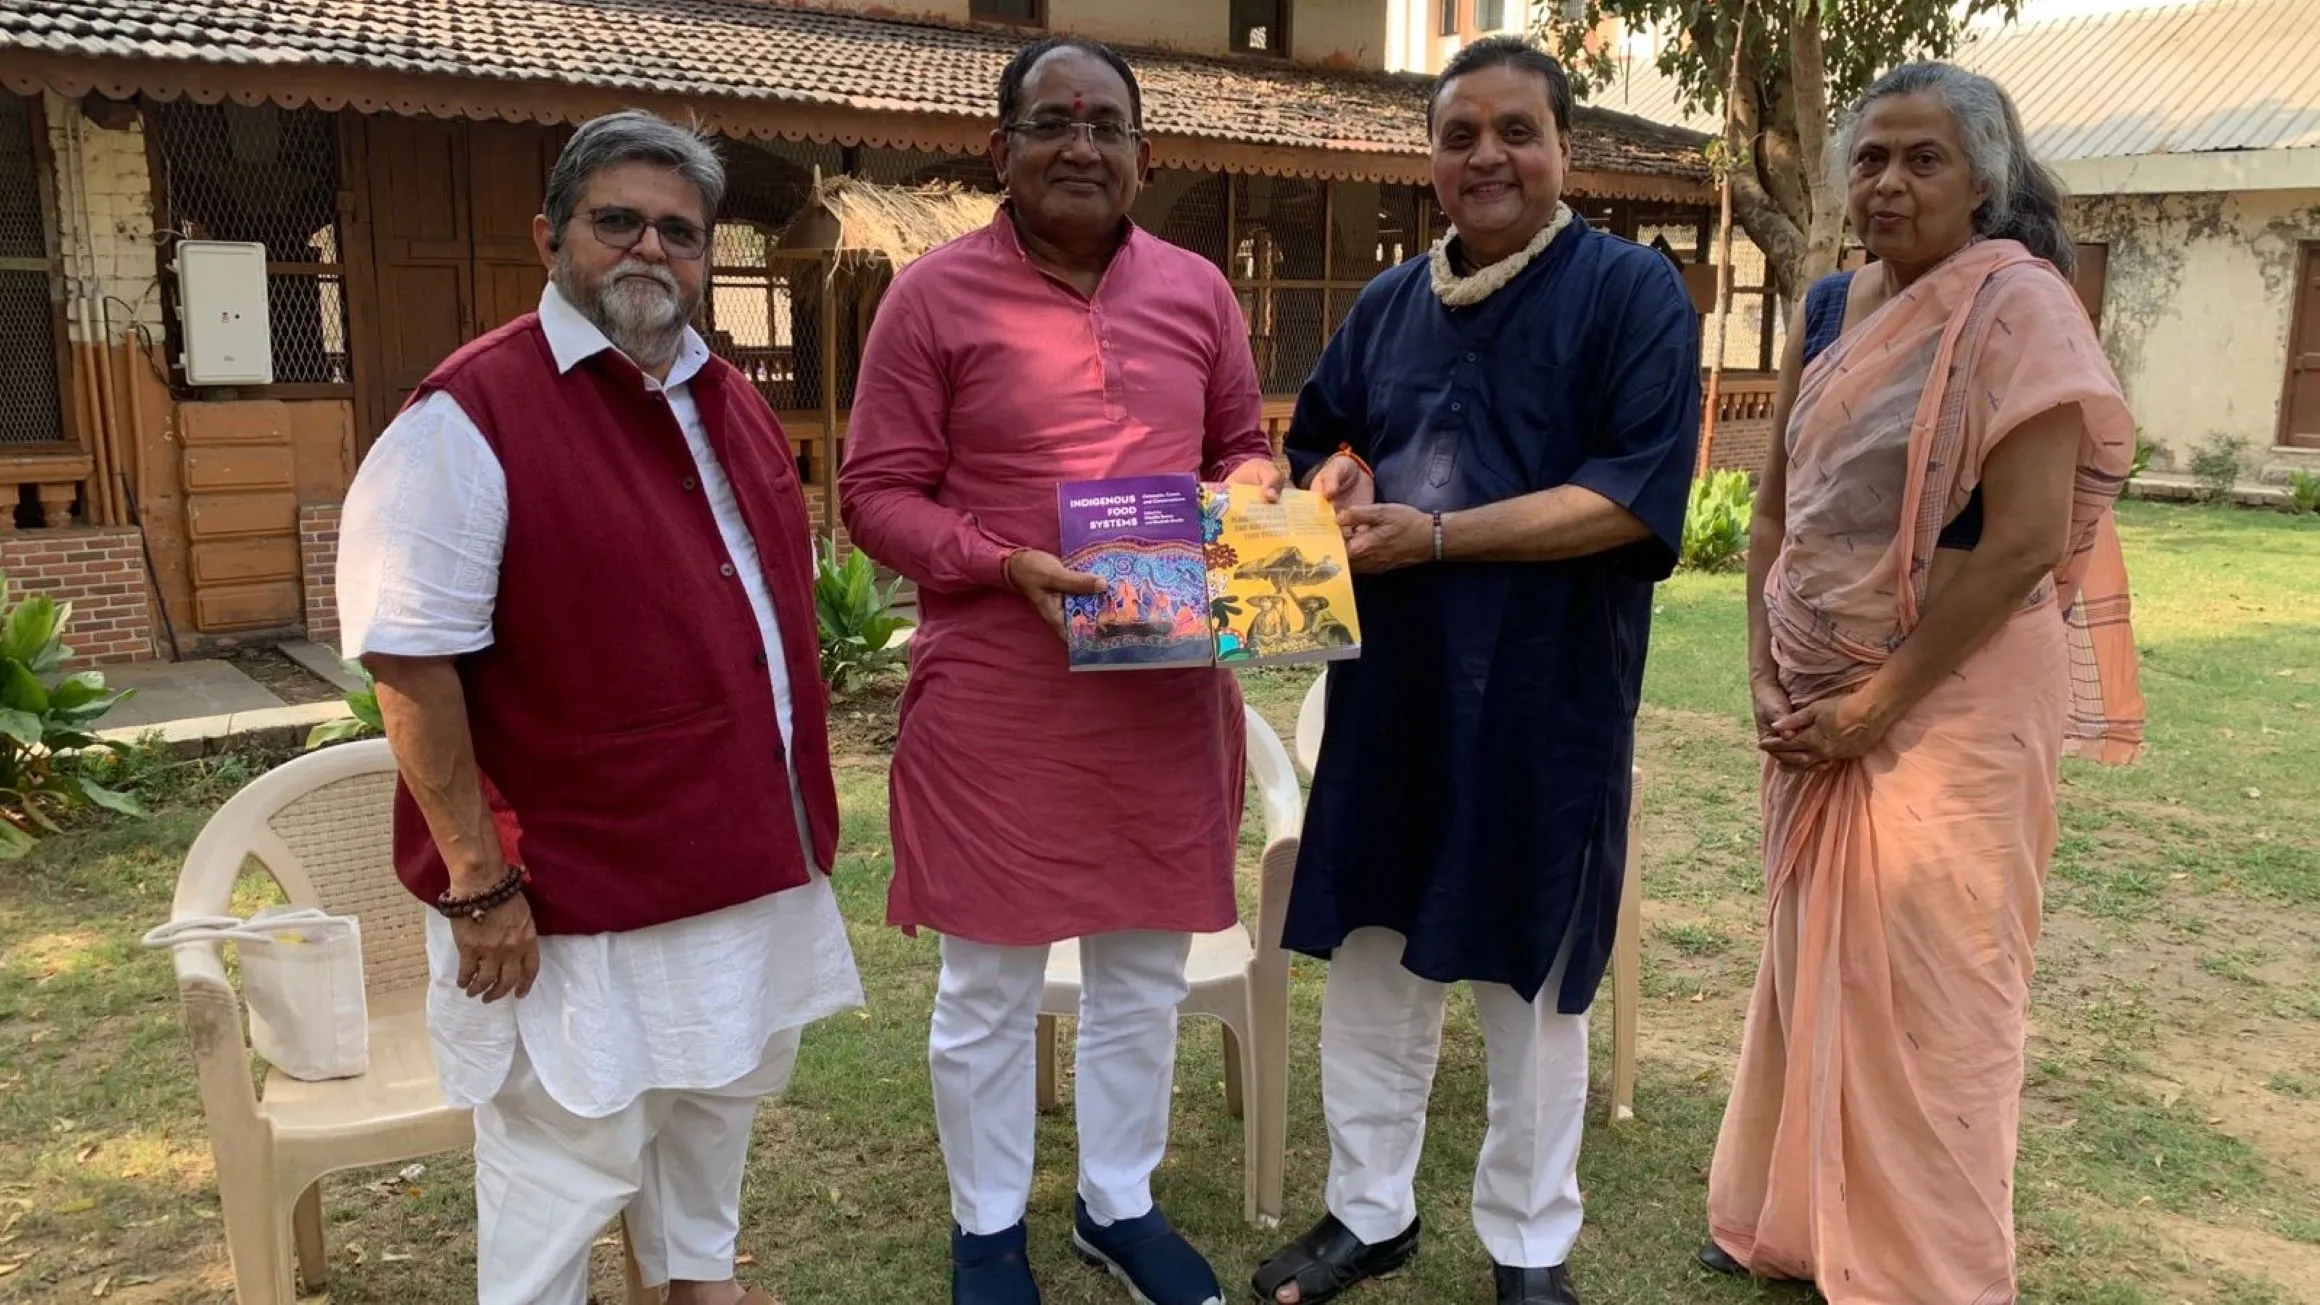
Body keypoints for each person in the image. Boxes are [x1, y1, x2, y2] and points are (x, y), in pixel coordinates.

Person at [336, 110, 861, 1305]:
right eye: (615, 220)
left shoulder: (723, 400)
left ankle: (695, 1285)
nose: (649, 251)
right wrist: (481, 879)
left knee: (716, 1091)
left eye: (679, 231)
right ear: (551, 235)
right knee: (569, 1149)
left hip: (737, 855)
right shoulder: (465, 419)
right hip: (576, 885)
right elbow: (411, 662)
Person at [1250, 37, 1701, 1305]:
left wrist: (1440, 536)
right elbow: (1323, 438)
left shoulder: (1629, 295)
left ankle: (1527, 1243)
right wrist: (1331, 480)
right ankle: (1367, 1213)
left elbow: (1630, 495)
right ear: (1432, 160)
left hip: (1546, 700)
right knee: (1375, 950)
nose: (1486, 156)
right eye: (1460, 135)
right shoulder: (1391, 301)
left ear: (1564, 149)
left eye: (1516, 131)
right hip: (1386, 690)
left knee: (1531, 974)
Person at [838, 35, 1283, 1305]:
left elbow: (1242, 445)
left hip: (1161, 682)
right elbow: (874, 495)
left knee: (1140, 970)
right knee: (988, 982)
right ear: (1002, 149)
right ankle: (986, 1229)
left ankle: (1116, 1202)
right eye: (1051, 122)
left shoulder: (1196, 291)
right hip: (998, 692)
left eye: (1105, 123)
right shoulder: (930, 297)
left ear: (1145, 153)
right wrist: (1000, 561)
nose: (1080, 144)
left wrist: (1246, 497)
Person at [1700, 62, 2145, 1304]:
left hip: (1950, 692)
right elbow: (1775, 508)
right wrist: (1766, 677)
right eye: (1873, 158)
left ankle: (1925, 1269)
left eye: (1923, 159)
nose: (1889, 182)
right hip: (1814, 692)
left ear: (1982, 184)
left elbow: (2020, 542)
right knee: (1809, 956)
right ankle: (1788, 1218)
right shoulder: (1833, 308)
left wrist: (1875, 706)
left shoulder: (2019, 309)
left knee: (1940, 988)